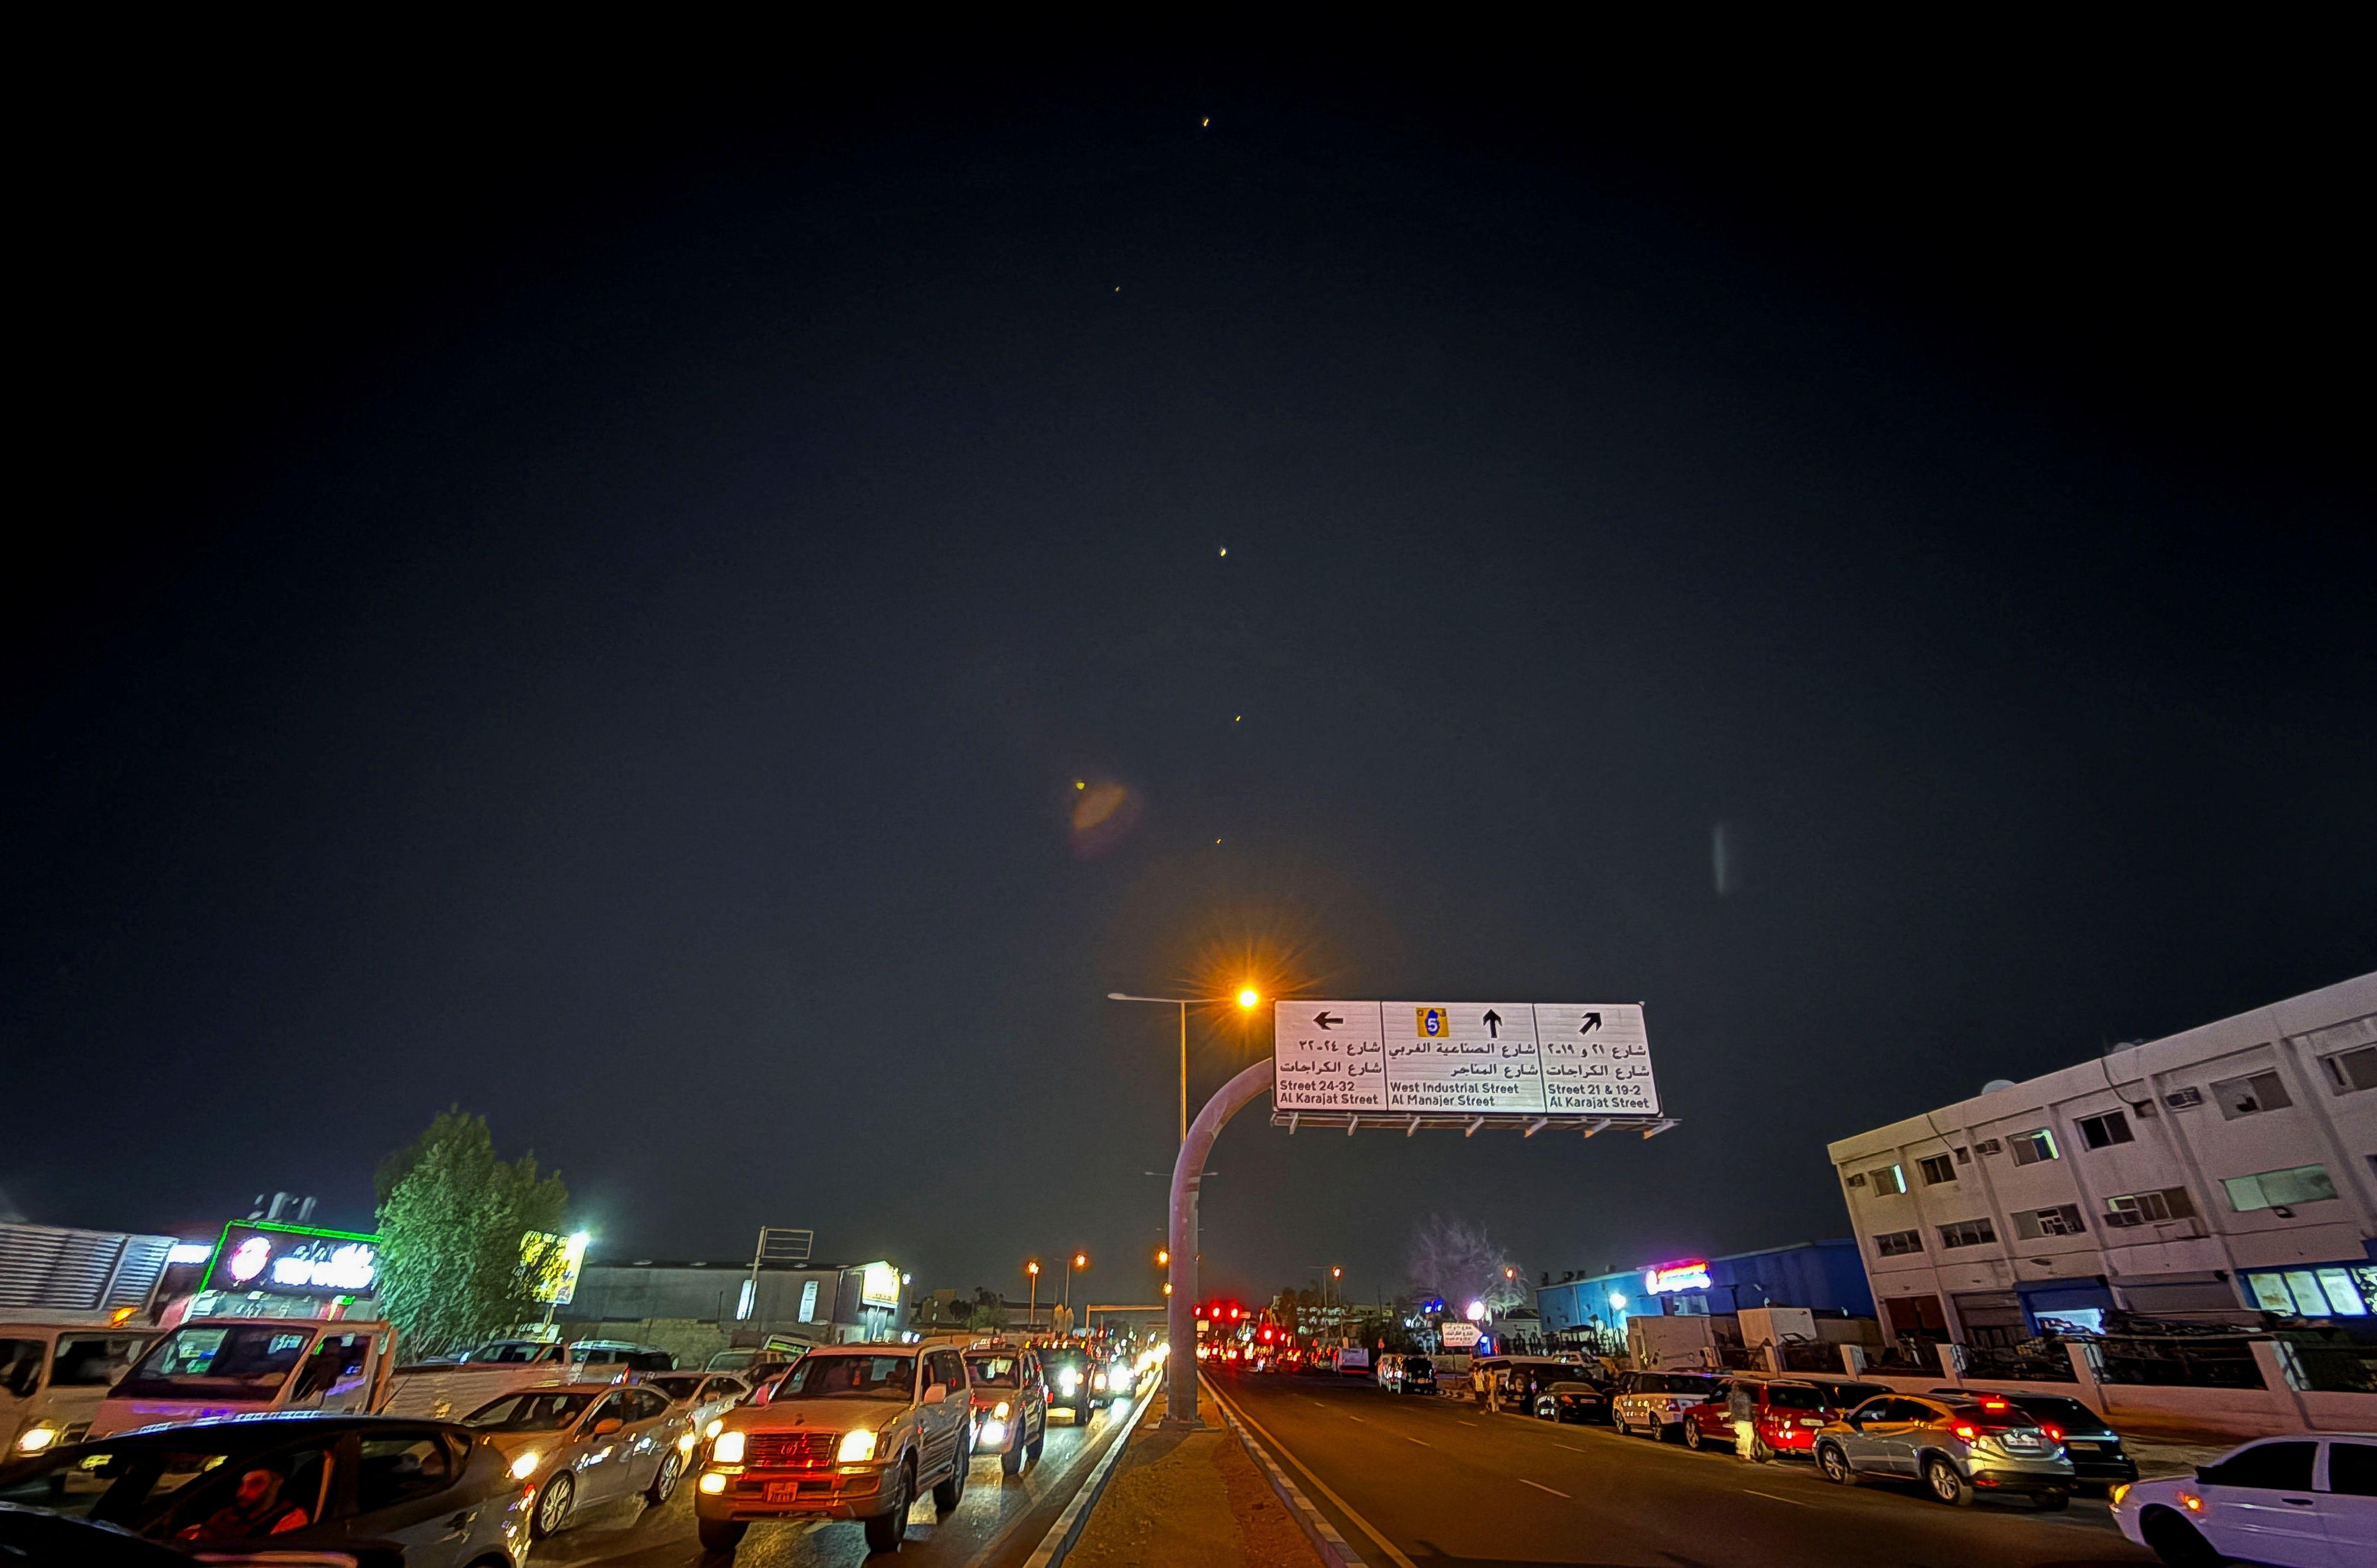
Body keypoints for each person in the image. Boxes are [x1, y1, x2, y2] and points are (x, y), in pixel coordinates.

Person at [179, 1464, 312, 1540]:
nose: (242, 1493)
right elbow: (188, 1537)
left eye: (256, 1484)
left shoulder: (292, 1517)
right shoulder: (230, 1512)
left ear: (276, 1484)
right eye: (242, 1484)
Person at [1725, 1380, 1760, 1461]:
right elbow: (1731, 1408)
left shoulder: (1736, 1396)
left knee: (1746, 1437)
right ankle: (1743, 1454)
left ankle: (1745, 1455)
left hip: (1743, 1420)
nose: (1733, 1388)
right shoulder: (1743, 1396)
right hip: (1742, 1420)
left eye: (1734, 1387)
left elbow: (1730, 1408)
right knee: (1745, 1437)